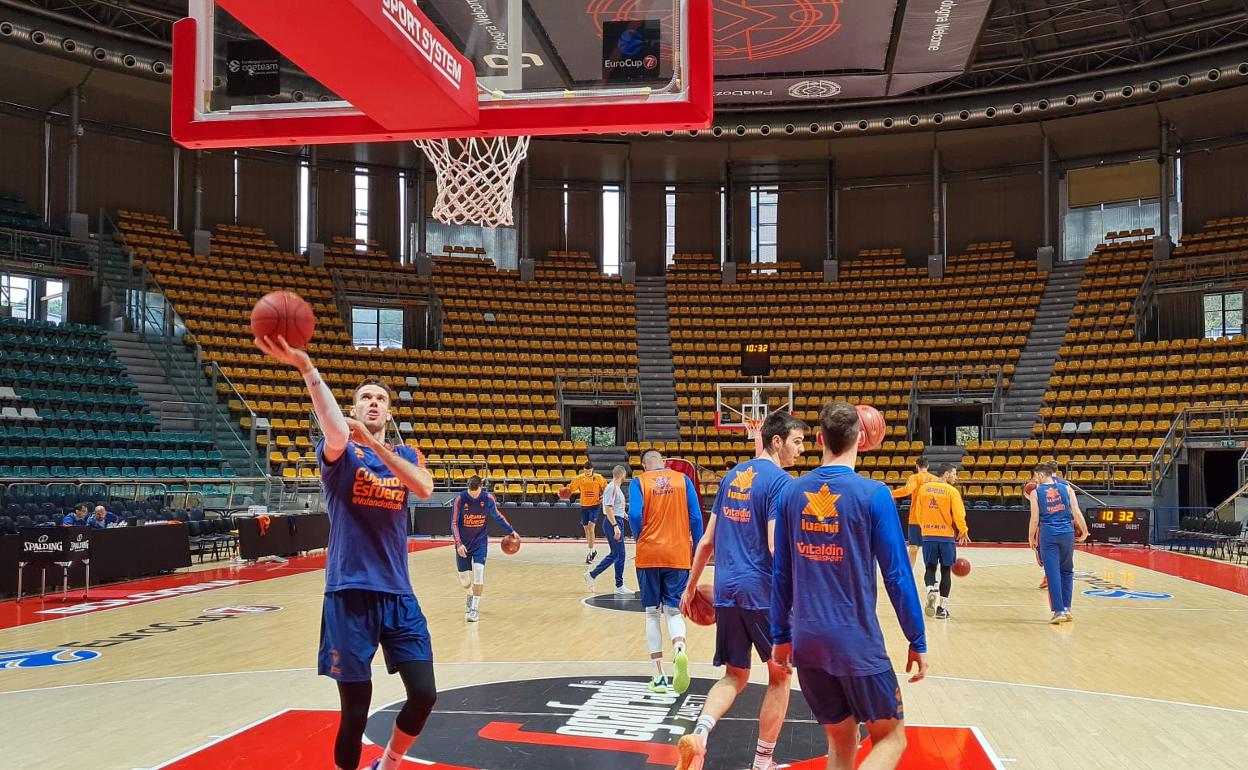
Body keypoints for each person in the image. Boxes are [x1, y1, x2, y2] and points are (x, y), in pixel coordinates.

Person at [256, 334, 435, 770]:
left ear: (388, 413)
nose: (373, 403)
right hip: (349, 592)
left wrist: (377, 446)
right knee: (355, 712)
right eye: (365, 399)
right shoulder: (337, 453)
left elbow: (425, 488)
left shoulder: (405, 453)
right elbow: (333, 429)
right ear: (353, 410)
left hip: (398, 593)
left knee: (424, 693)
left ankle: (389, 764)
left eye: (380, 399)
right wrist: (306, 368)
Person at [770, 401, 927, 770]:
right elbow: (898, 576)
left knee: (842, 742)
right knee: (890, 738)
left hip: (807, 643)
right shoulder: (874, 495)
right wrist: (916, 638)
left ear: (821, 438)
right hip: (856, 643)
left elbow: (781, 574)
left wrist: (780, 636)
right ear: (862, 439)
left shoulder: (791, 494)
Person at [676, 411, 806, 770]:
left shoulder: (732, 476)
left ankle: (699, 736)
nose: (801, 450)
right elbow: (776, 545)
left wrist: (690, 587)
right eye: (797, 441)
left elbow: (705, 542)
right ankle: (762, 763)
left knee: (734, 675)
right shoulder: (781, 483)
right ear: (776, 441)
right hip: (762, 594)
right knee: (780, 676)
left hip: (726, 592)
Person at [629, 448, 704, 695]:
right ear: (663, 463)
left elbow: (635, 514)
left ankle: (658, 676)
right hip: (677, 553)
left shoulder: (639, 482)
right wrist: (697, 546)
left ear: (644, 466)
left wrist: (639, 535)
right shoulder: (683, 480)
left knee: (652, 613)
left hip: (649, 553)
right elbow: (695, 517)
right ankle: (680, 649)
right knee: (673, 611)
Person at [1027, 462, 1089, 624]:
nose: (1034, 480)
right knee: (1067, 571)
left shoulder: (1036, 492)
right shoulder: (1067, 489)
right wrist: (1084, 531)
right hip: (1067, 533)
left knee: (1053, 572)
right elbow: (1076, 512)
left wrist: (1031, 536)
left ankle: (1058, 611)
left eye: (1035, 476)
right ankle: (1067, 608)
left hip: (1049, 534)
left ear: (1041, 475)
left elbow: (1035, 518)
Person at [451, 475, 518, 623]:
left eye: (476, 492)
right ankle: (469, 594)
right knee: (464, 579)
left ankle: (474, 609)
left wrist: (511, 530)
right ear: (468, 488)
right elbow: (454, 523)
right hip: (463, 544)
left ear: (481, 487)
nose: (473, 495)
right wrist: (458, 544)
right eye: (471, 492)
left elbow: (497, 515)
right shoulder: (460, 499)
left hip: (480, 543)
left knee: (479, 573)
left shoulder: (488, 499)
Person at [915, 464, 970, 620]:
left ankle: (931, 589)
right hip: (945, 536)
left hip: (928, 535)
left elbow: (918, 512)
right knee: (946, 571)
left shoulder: (924, 489)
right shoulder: (951, 491)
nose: (956, 477)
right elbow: (959, 514)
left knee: (930, 568)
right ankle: (941, 609)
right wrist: (963, 530)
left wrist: (925, 527)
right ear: (946, 474)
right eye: (954, 474)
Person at [585, 465, 632, 595]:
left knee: (614, 555)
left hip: (616, 520)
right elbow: (609, 508)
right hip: (613, 523)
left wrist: (626, 517)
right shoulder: (612, 488)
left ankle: (592, 575)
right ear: (622, 475)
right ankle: (619, 585)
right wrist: (616, 526)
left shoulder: (615, 488)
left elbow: (617, 508)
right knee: (620, 555)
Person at [890, 457, 935, 566]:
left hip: (915, 517)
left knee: (913, 548)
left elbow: (907, 490)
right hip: (932, 517)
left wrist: (891, 493)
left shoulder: (914, 477)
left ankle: (909, 573)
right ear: (928, 466)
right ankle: (931, 575)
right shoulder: (935, 479)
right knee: (930, 548)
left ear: (916, 466)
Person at [565, 461, 608, 564]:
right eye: (586, 471)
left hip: (595, 506)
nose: (588, 473)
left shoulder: (598, 478)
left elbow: (606, 487)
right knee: (586, 530)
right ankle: (593, 550)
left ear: (592, 470)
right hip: (584, 506)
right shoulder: (579, 478)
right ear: (583, 470)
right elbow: (570, 489)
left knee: (590, 528)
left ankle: (590, 553)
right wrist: (563, 492)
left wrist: (604, 496)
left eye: (589, 471)